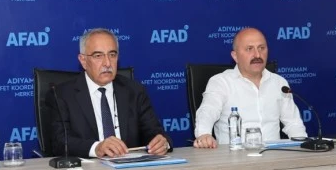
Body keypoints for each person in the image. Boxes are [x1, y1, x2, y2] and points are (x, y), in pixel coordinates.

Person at [46, 28, 172, 158]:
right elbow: (60, 142)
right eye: (98, 56)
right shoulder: (61, 95)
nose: (107, 63)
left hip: (130, 165)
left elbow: (155, 132)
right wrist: (97, 148)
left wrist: (162, 143)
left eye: (112, 55)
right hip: (86, 167)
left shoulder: (135, 91)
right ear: (83, 61)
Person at [193, 27, 307, 148]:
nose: (257, 54)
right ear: (235, 56)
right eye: (249, 49)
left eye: (261, 48)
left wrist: (304, 146)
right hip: (233, 155)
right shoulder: (221, 82)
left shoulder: (279, 83)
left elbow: (293, 124)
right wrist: (204, 134)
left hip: (274, 154)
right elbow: (208, 111)